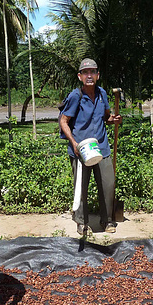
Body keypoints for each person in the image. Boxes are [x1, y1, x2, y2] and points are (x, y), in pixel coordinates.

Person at [59, 58, 122, 236]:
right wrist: (74, 142)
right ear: (79, 76)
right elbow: (64, 121)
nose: (89, 75)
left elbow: (106, 117)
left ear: (98, 75)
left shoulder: (102, 93)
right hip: (81, 149)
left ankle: (107, 220)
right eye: (85, 72)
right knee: (81, 187)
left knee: (108, 184)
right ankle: (81, 222)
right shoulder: (75, 96)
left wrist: (114, 120)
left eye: (92, 72)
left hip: (101, 147)